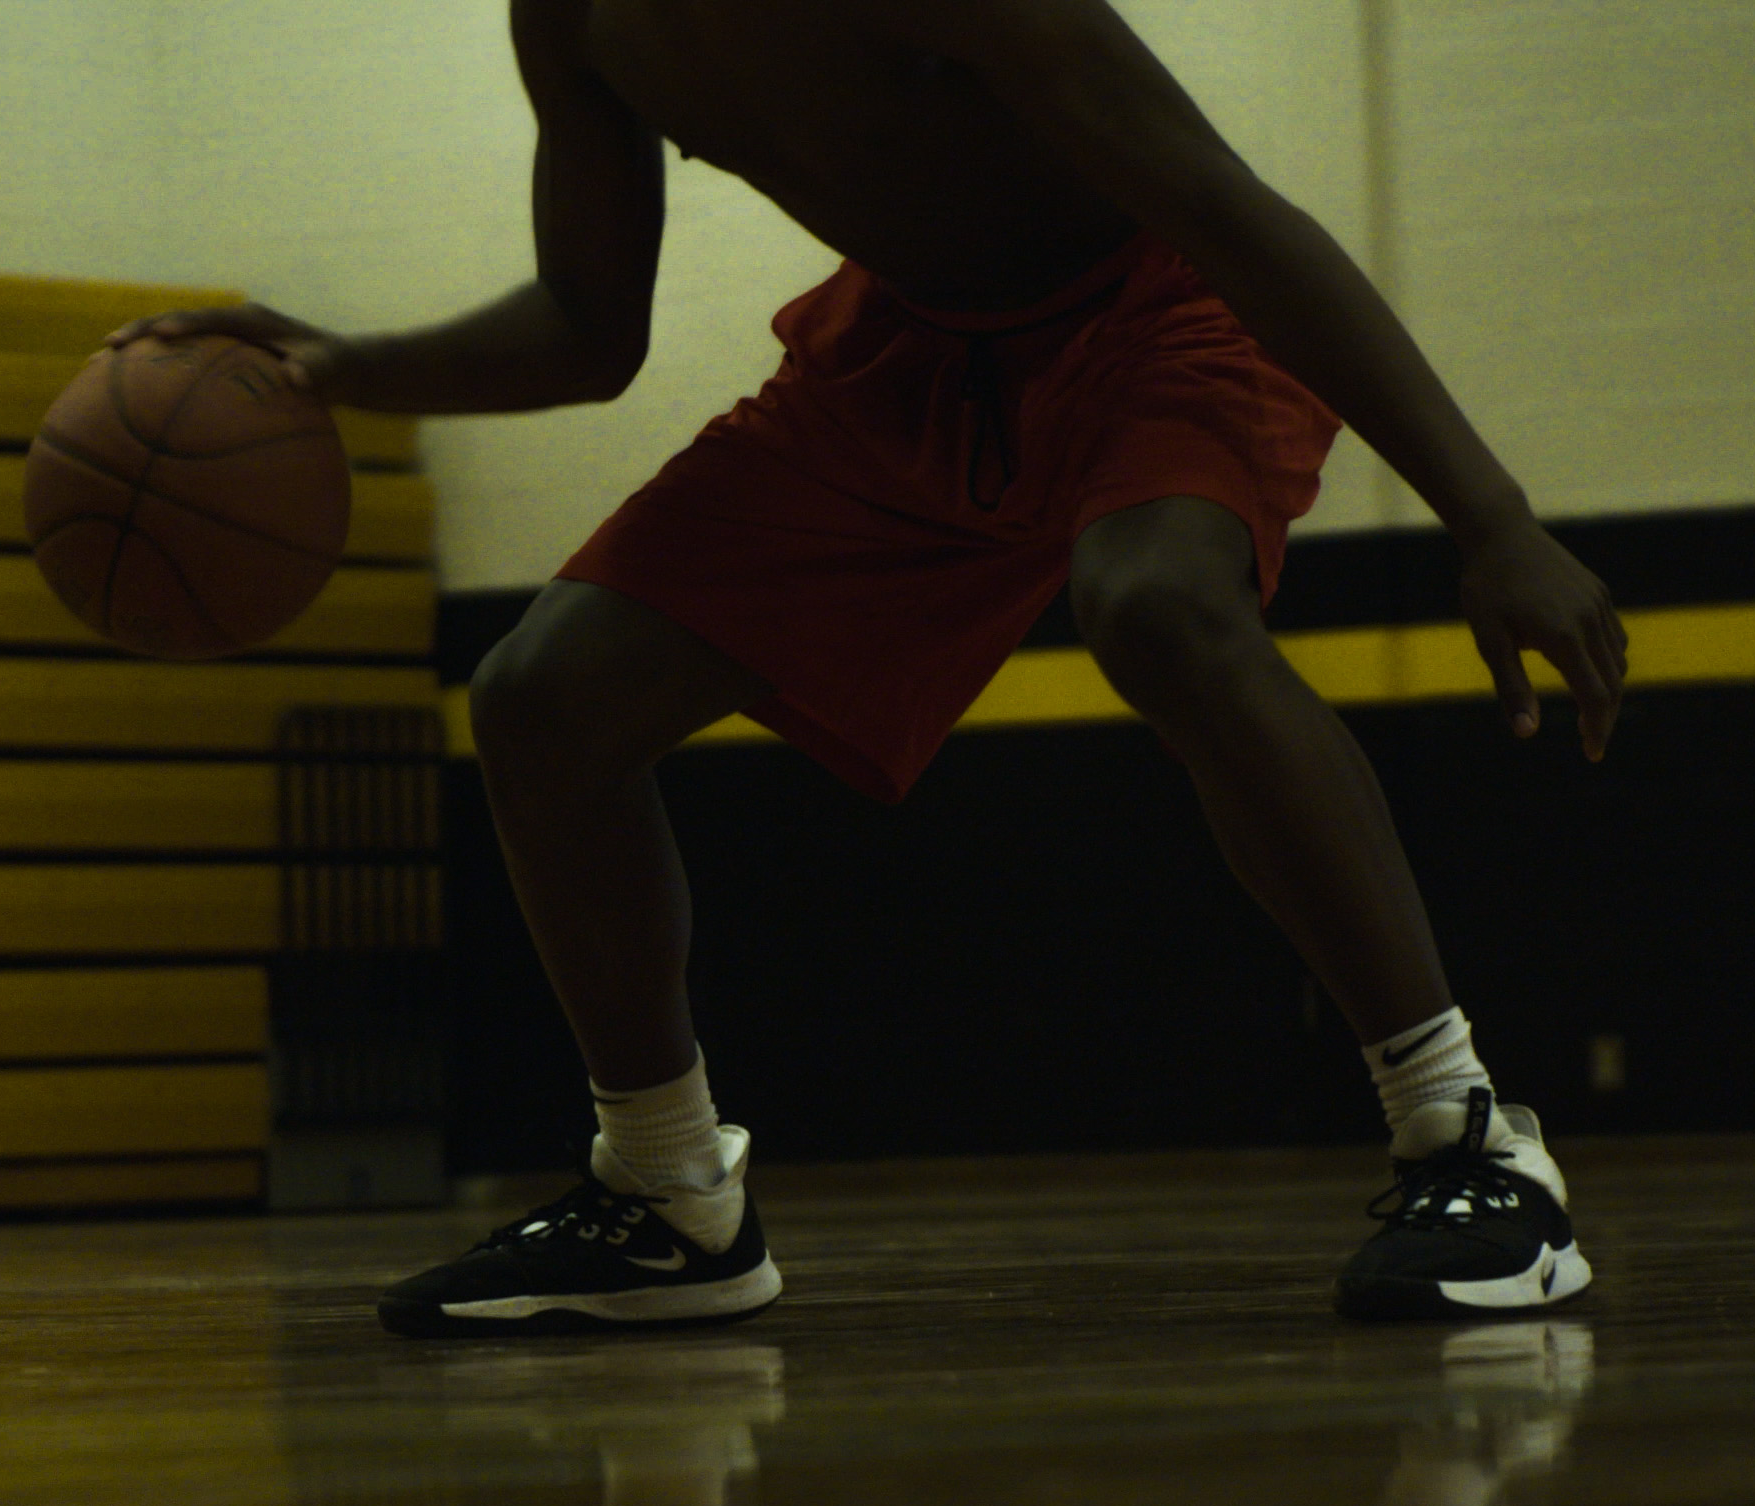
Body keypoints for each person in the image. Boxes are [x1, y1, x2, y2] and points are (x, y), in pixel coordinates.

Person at [110, 0, 1627, 1332]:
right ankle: (669, 1199)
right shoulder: (572, 14)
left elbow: (1223, 208)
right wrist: (342, 368)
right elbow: (587, 327)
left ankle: (1471, 1139)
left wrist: (1490, 520)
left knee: (1157, 604)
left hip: (1161, 313)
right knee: (540, 700)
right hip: (907, 361)